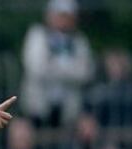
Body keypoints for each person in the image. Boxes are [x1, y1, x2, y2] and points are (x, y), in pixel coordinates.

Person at [20, 0, 93, 129]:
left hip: (69, 112)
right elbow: (36, 69)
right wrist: (69, 69)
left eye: (67, 16)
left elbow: (84, 73)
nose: (63, 20)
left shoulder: (79, 41)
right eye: (60, 15)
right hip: (37, 108)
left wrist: (53, 66)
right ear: (49, 15)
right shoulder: (37, 36)